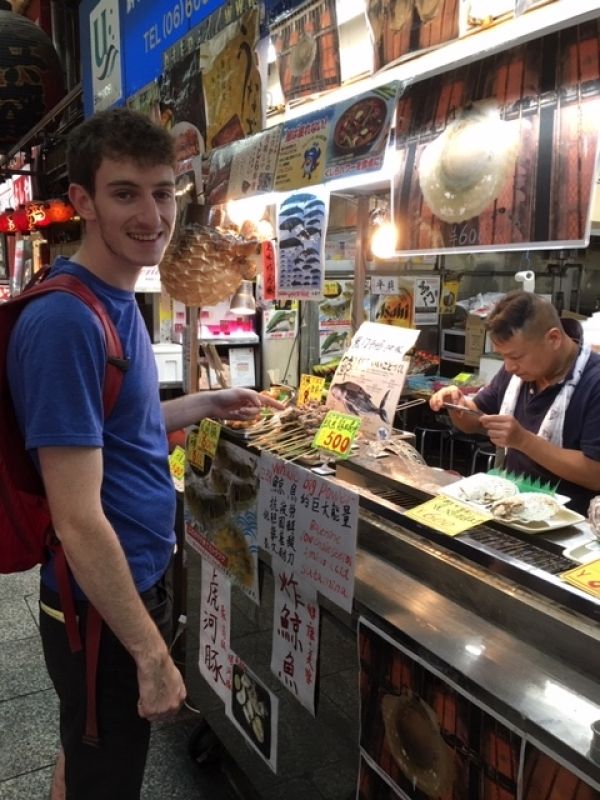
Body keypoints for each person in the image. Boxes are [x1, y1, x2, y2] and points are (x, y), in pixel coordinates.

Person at [6, 108, 282, 800]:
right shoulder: (67, 320)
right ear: (83, 203)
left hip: (127, 584)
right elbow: (76, 515)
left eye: (162, 192)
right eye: (125, 193)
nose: (152, 215)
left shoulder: (118, 297)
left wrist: (203, 405)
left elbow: (116, 434)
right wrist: (153, 655)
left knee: (86, 755)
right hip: (99, 602)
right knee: (107, 777)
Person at [430, 290, 600, 514]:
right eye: (504, 357)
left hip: (570, 527)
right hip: (514, 511)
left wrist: (523, 441)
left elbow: (595, 475)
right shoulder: (517, 373)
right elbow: (477, 418)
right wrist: (458, 407)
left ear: (554, 339)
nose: (509, 367)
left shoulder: (594, 382)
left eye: (516, 357)